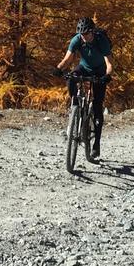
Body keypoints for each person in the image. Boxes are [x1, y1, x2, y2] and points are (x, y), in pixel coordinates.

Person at [54, 16, 113, 160]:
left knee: (98, 106)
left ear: (92, 32)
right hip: (84, 68)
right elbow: (68, 58)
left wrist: (107, 75)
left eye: (86, 33)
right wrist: (59, 68)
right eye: (82, 34)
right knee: (71, 79)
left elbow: (109, 63)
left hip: (100, 70)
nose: (84, 36)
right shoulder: (77, 39)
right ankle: (75, 107)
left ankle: (96, 144)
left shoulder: (101, 41)